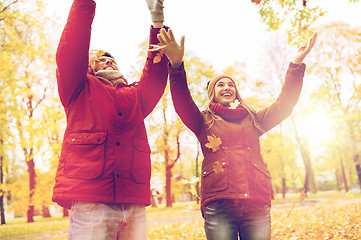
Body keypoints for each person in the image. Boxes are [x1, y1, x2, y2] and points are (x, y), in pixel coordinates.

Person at [157, 29, 317, 240]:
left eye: (231, 84)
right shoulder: (203, 120)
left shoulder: (254, 119)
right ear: (212, 93)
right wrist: (176, 66)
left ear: (236, 92)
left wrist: (295, 65)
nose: (227, 87)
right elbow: (181, 101)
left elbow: (284, 105)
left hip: (256, 201)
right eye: (220, 85)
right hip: (219, 202)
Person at [52, 0, 169, 239]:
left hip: (132, 200)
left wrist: (157, 21)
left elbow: (155, 77)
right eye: (101, 58)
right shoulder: (78, 87)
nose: (108, 59)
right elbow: (73, 45)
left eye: (111, 58)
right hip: (91, 200)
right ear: (89, 65)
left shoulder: (133, 96)